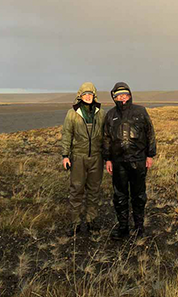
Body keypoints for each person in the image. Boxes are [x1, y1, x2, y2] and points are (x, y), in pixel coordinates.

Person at [102, 82, 157, 239]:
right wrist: (107, 159)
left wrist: (149, 155)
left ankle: (139, 227)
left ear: (130, 95)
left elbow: (150, 133)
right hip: (118, 162)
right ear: (114, 97)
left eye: (124, 94)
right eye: (118, 95)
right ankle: (123, 228)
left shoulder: (140, 111)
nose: (122, 98)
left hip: (138, 160)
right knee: (120, 195)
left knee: (138, 195)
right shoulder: (110, 115)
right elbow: (106, 138)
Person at [61, 82, 105, 236]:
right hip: (78, 157)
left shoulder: (101, 113)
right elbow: (67, 134)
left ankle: (91, 220)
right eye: (85, 94)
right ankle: (75, 223)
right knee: (76, 189)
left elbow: (106, 136)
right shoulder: (72, 113)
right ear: (80, 95)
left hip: (96, 157)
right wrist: (65, 155)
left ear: (94, 96)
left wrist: (108, 156)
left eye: (90, 94)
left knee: (94, 190)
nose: (88, 96)